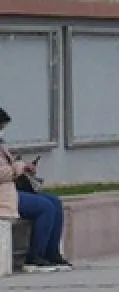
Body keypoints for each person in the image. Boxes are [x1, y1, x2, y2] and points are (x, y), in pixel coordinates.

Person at [0, 109, 70, 272]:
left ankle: (51, 253)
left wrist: (22, 167)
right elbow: (3, 172)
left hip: (10, 190)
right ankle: (34, 257)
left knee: (55, 202)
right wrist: (19, 167)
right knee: (45, 207)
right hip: (5, 196)